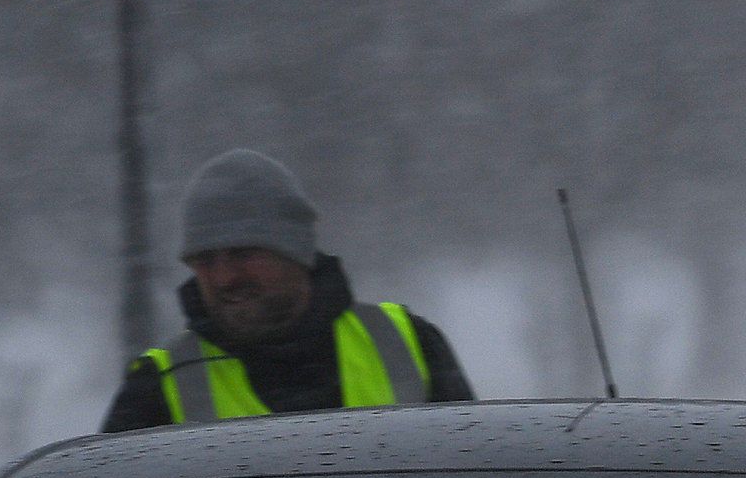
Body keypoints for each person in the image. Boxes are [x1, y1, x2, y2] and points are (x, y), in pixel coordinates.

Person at [101, 150, 477, 431]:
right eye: (205, 260)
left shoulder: (408, 344)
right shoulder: (158, 387)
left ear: (296, 253)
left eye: (243, 254)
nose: (223, 278)